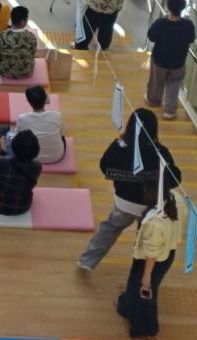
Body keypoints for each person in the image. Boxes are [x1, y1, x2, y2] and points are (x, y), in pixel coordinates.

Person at [77, 109, 181, 272]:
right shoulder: (160, 152)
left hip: (123, 203)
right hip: (149, 207)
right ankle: (140, 271)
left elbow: (104, 167)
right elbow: (175, 179)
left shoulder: (118, 147)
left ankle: (87, 261)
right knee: (146, 238)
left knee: (110, 228)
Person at [116, 184, 185, 338]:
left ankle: (144, 327)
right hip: (168, 251)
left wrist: (147, 275)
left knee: (145, 291)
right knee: (135, 284)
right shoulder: (176, 198)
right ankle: (128, 307)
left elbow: (151, 253)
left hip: (152, 261)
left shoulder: (154, 222)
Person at [146, 0, 195, 120]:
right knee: (174, 86)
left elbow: (151, 37)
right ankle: (170, 111)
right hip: (178, 62)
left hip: (159, 60)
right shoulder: (188, 24)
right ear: (183, 7)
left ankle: (154, 100)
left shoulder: (160, 23)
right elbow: (191, 39)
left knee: (156, 82)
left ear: (168, 6)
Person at [0, 129, 42, 215]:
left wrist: (2, 151)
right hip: (22, 207)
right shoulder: (37, 166)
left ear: (13, 146)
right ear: (36, 150)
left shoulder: (1, 161)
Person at [15, 86, 65, 164]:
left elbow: (17, 135)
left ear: (28, 101)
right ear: (46, 99)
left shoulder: (22, 118)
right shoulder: (57, 115)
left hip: (32, 157)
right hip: (56, 156)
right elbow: (62, 133)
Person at [0, 6, 37, 79]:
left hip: (5, 72)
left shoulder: (1, 36)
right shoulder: (31, 37)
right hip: (26, 72)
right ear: (22, 22)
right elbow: (33, 54)